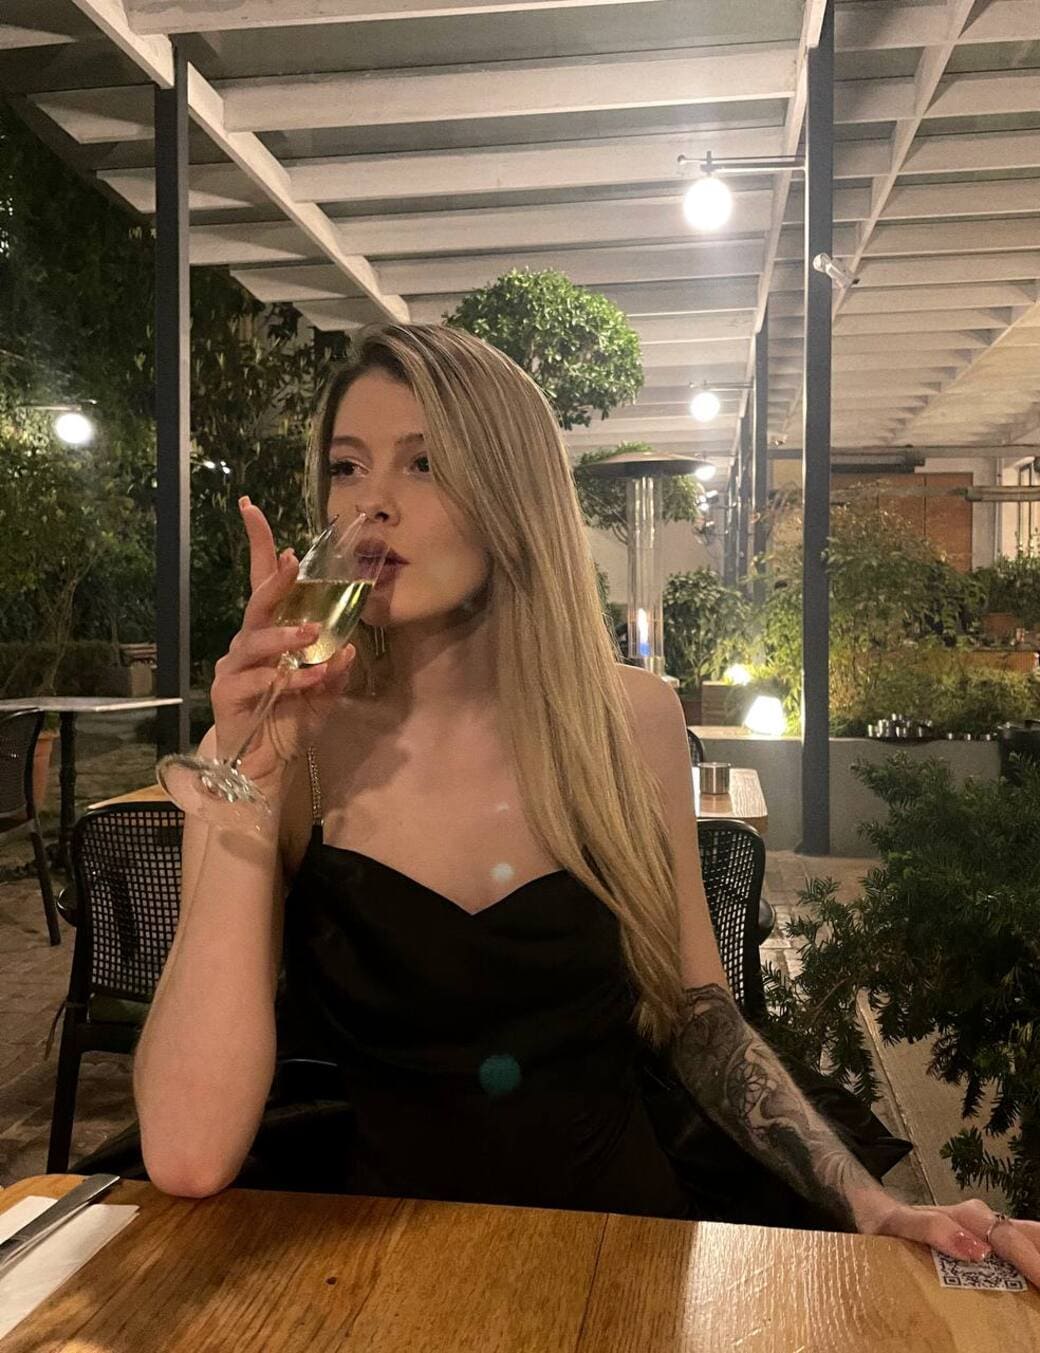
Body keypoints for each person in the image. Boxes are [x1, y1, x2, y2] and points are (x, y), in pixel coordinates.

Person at [133, 323, 1040, 1283]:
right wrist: (252, 777)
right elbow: (188, 1154)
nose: (372, 503)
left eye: (425, 463)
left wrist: (874, 1203)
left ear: (511, 493)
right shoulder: (282, 751)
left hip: (623, 1249)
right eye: (347, 467)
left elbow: (701, 1018)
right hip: (374, 1268)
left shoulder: (630, 721)